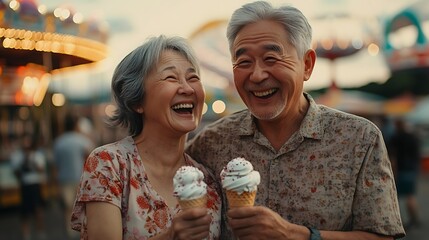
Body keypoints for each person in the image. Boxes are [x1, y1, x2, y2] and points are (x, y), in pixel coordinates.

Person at [186, 1, 405, 239]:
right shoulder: (211, 142)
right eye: (244, 62)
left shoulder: (360, 139)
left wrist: (294, 234)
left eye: (271, 58)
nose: (257, 75)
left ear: (307, 65)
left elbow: (382, 236)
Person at [71, 35, 222, 240]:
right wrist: (170, 237)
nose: (187, 88)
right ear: (136, 101)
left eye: (193, 78)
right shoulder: (109, 164)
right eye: (171, 78)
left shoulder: (208, 181)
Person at [53, 113, 95, 239]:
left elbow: (56, 165)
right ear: (76, 125)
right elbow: (92, 158)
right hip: (81, 179)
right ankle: (82, 231)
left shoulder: (58, 141)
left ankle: (69, 231)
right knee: (83, 208)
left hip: (64, 178)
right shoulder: (82, 140)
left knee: (67, 208)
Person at [10, 133, 47, 240]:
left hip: (35, 184)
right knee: (25, 212)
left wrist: (32, 162)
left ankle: (40, 232)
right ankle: (26, 234)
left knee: (38, 209)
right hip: (25, 185)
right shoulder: (17, 156)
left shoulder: (37, 155)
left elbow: (41, 169)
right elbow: (16, 173)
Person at [389, 118, 421, 230]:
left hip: (400, 170)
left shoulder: (395, 138)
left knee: (394, 197)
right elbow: (417, 153)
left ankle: (398, 221)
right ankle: (414, 219)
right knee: (410, 195)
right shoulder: (413, 137)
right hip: (411, 169)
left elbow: (393, 158)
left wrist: (393, 171)